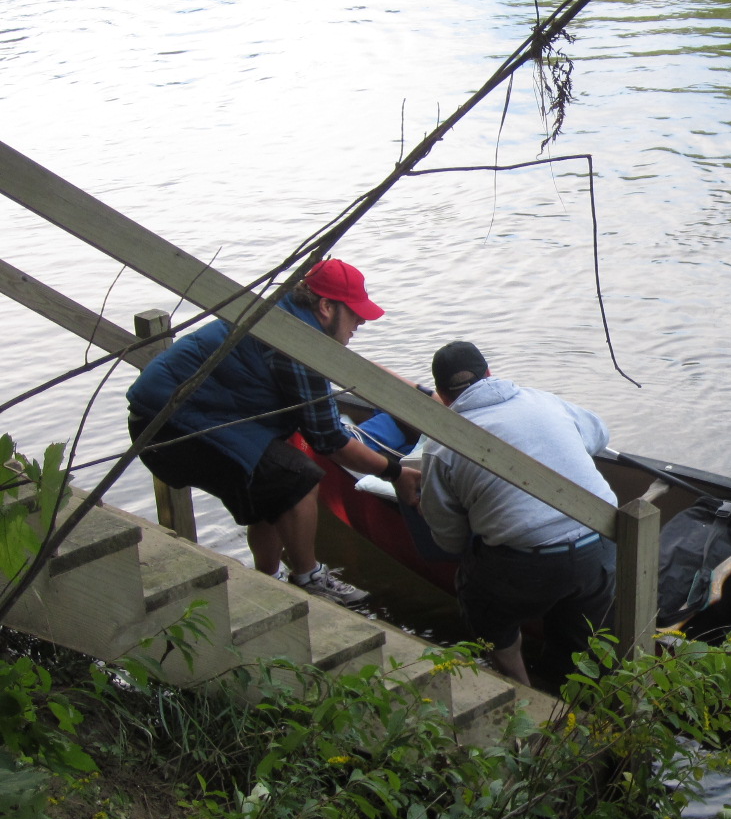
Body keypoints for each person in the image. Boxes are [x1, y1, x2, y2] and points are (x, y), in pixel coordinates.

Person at [126, 258, 422, 607]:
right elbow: (330, 441)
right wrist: (395, 472)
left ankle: (268, 583)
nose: (360, 323)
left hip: (175, 416)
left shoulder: (284, 313)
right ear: (326, 307)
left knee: (270, 484)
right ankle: (309, 578)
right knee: (299, 477)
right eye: (355, 314)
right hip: (169, 426)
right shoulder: (299, 343)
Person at [416, 341, 617, 685]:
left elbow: (450, 541)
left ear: (442, 396)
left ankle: (518, 680)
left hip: (525, 566)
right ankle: (568, 690)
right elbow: (599, 435)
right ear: (489, 374)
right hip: (601, 544)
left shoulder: (439, 446)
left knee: (476, 593)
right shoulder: (542, 400)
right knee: (578, 637)